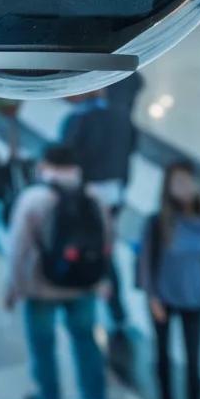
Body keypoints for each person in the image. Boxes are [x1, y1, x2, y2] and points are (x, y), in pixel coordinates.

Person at [4, 144, 111, 399]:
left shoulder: (34, 199)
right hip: (83, 284)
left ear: (44, 165)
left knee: (43, 346)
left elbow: (18, 248)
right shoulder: (93, 196)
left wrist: (14, 286)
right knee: (86, 341)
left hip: (42, 286)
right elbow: (108, 240)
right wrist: (102, 278)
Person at [138, 161, 200, 399]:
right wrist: (152, 297)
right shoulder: (158, 222)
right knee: (162, 356)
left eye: (188, 182)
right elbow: (146, 262)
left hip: (194, 299)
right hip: (164, 298)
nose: (183, 188)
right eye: (177, 182)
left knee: (194, 362)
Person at [61, 90, 135, 329]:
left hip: (88, 198)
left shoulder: (76, 121)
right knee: (105, 248)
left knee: (94, 250)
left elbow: (67, 156)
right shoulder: (120, 116)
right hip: (114, 194)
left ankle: (102, 304)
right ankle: (115, 308)